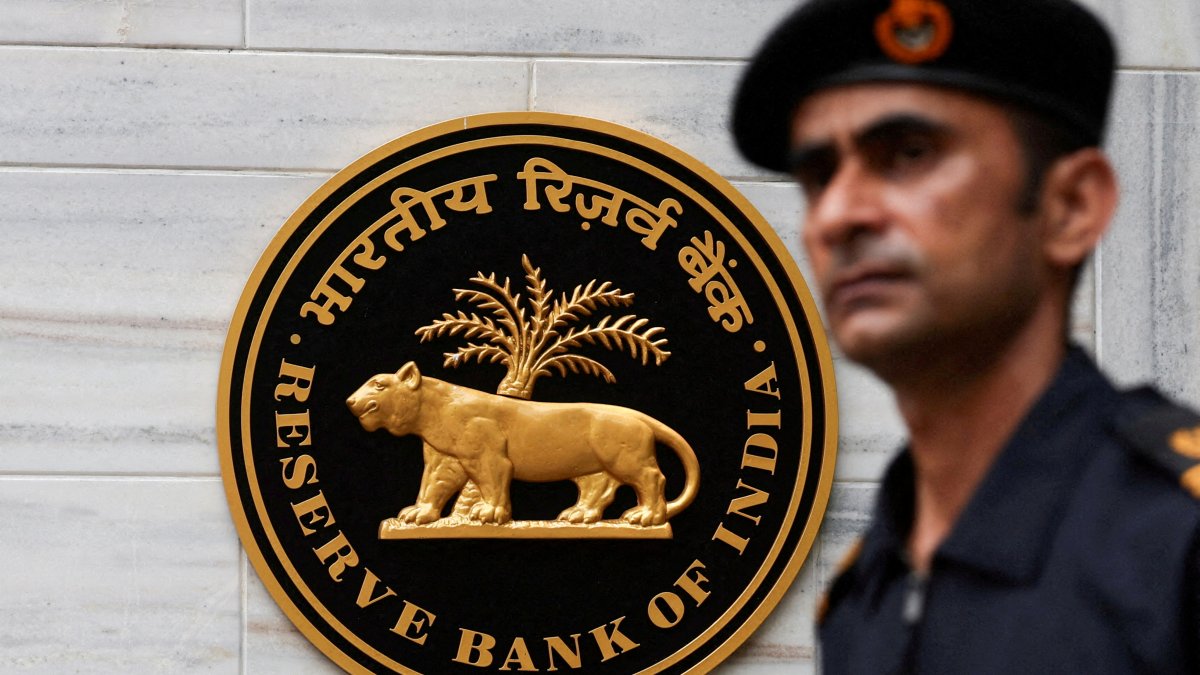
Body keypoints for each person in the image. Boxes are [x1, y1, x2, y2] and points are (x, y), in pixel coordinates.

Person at [731, 0, 1200, 672]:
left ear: (1072, 207)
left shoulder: (1174, 544)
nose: (837, 214)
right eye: (818, 176)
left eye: (910, 154)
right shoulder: (864, 594)